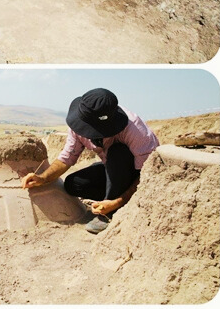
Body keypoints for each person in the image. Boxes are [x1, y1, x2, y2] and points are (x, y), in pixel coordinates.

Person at [20, 88, 159, 234]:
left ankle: (109, 212)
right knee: (73, 184)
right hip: (110, 169)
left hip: (135, 174)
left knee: (118, 153)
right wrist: (43, 178)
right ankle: (108, 199)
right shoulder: (80, 119)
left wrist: (118, 201)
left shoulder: (134, 129)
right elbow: (67, 157)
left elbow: (149, 173)